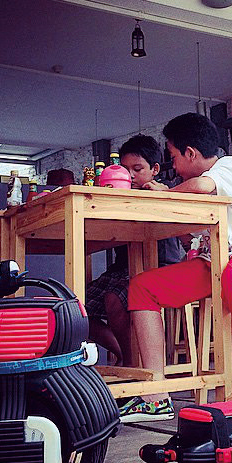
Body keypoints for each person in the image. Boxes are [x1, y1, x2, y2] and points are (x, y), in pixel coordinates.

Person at [118, 112, 232, 423]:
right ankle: (155, 395)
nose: (174, 166)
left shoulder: (227, 167)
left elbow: (203, 186)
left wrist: (165, 193)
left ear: (190, 153)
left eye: (174, 157)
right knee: (142, 286)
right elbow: (192, 232)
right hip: (211, 263)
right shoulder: (196, 185)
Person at [85, 134, 183, 365]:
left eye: (137, 169)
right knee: (73, 308)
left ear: (155, 169)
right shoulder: (119, 196)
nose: (130, 175)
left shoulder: (165, 192)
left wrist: (161, 197)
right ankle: (123, 354)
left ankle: (130, 365)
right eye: (125, 169)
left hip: (159, 266)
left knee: (114, 298)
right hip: (122, 268)